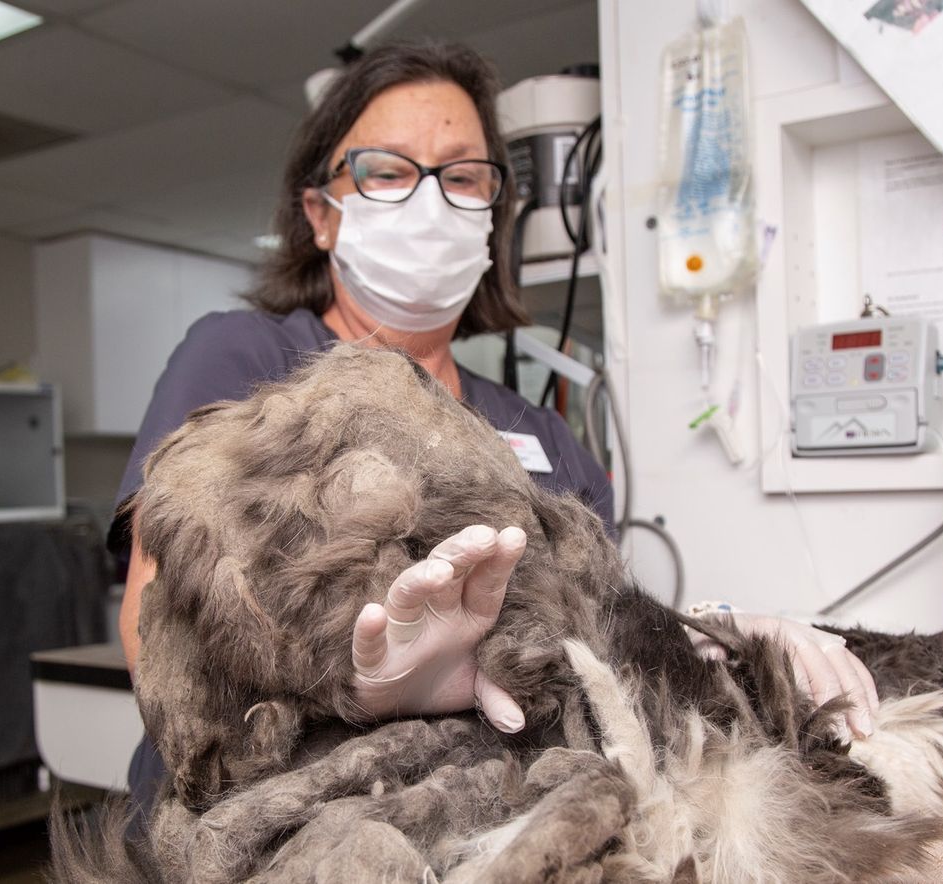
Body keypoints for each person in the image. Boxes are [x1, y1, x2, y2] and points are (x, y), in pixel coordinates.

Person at [111, 40, 879, 818]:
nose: (428, 198)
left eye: (463, 176)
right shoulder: (245, 354)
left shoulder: (540, 433)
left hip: (475, 820)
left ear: (490, 217)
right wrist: (354, 694)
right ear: (321, 215)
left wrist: (701, 635)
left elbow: (598, 640)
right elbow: (156, 625)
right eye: (387, 170)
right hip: (250, 821)